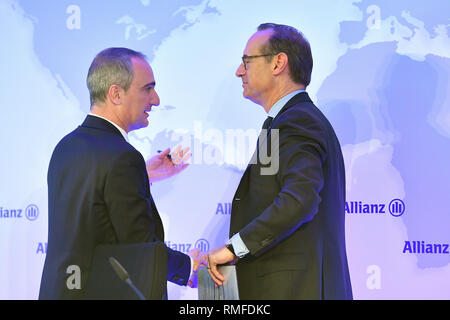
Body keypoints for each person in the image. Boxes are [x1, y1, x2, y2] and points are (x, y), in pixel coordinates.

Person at [39, 47, 204, 299]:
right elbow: (140, 248)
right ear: (116, 93)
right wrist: (190, 268)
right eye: (147, 88)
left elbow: (93, 210)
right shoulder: (122, 158)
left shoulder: (67, 146)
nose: (156, 99)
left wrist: (143, 175)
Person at [207, 23, 353, 299]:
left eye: (246, 61)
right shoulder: (289, 121)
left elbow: (300, 199)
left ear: (278, 63)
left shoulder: (297, 121)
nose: (239, 71)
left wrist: (236, 247)